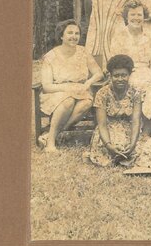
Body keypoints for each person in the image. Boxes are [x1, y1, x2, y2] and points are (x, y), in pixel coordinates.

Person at [37, 19, 104, 153]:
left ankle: (50, 135)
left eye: (77, 33)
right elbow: (47, 86)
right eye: (70, 33)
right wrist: (68, 89)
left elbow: (98, 73)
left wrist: (87, 83)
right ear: (61, 36)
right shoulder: (50, 57)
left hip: (80, 92)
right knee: (68, 101)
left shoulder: (83, 52)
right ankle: (51, 144)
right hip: (56, 92)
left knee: (87, 102)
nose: (74, 36)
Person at [109, 0, 151, 132]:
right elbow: (115, 62)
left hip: (149, 73)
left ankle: (146, 132)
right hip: (126, 74)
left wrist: (149, 79)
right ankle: (132, 130)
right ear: (126, 17)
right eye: (132, 15)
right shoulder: (119, 35)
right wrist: (129, 77)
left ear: (144, 16)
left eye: (139, 15)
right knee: (134, 90)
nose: (136, 18)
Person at [88, 54, 143, 167]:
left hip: (129, 127)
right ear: (110, 75)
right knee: (109, 150)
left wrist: (132, 144)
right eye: (116, 76)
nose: (120, 79)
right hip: (108, 129)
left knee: (137, 151)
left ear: (130, 74)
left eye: (124, 75)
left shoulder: (136, 92)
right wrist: (109, 145)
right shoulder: (102, 93)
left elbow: (136, 121)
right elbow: (102, 124)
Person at [82, 0, 132, 69]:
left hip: (116, 41)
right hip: (95, 42)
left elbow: (127, 21)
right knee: (96, 76)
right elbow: (88, 18)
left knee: (116, 72)